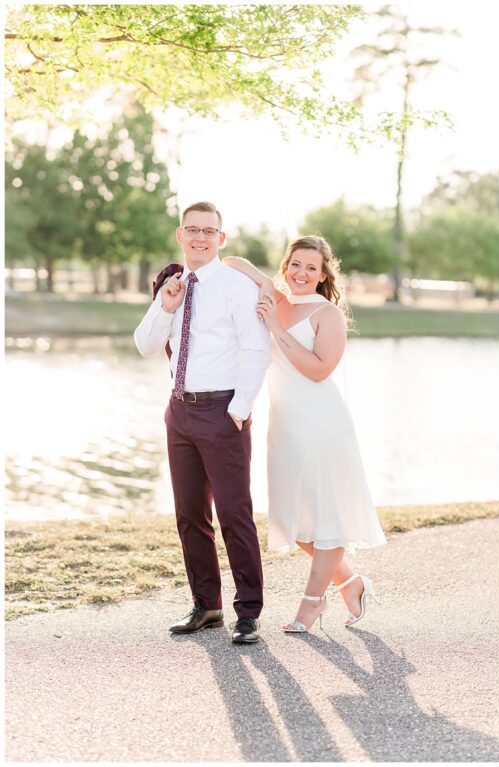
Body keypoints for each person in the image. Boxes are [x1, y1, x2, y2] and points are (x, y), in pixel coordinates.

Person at [220, 236, 386, 632]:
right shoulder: (276, 297)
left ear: (324, 274)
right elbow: (231, 261)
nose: (301, 273)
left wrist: (276, 328)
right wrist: (262, 281)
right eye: (295, 264)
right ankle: (351, 582)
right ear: (286, 265)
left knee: (328, 516)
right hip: (286, 426)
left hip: (322, 425)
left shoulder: (327, 314)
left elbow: (317, 369)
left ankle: (312, 604)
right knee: (295, 523)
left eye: (312, 268)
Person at [134, 201, 271, 644]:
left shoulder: (235, 286)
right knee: (190, 514)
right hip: (179, 412)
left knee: (234, 513)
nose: (200, 237)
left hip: (222, 411)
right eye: (192, 230)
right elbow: (145, 345)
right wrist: (167, 307)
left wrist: (240, 408)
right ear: (180, 235)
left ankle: (247, 612)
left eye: (208, 231)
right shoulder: (173, 285)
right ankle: (207, 606)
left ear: (221, 239)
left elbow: (256, 349)